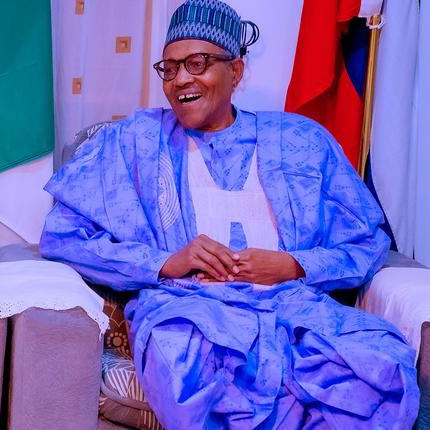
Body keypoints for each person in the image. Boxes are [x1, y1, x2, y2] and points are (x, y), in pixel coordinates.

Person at [40, 0, 420, 428]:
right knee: (184, 362)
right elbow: (63, 236)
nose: (181, 79)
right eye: (169, 67)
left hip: (294, 309)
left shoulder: (302, 141)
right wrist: (166, 261)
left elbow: (367, 240)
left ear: (235, 72)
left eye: (197, 63)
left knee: (382, 363)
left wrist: (295, 265)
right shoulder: (134, 140)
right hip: (186, 311)